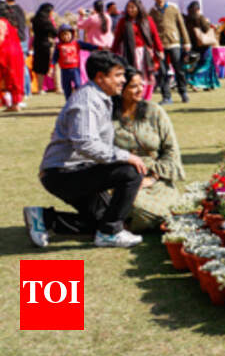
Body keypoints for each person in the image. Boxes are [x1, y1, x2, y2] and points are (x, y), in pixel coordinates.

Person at [24, 50, 146, 248]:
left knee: (103, 220)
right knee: (131, 172)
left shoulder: (100, 97)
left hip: (77, 170)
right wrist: (125, 156)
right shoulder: (87, 101)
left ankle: (44, 219)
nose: (123, 80)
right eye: (118, 75)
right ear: (100, 77)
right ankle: (109, 234)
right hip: (64, 173)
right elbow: (86, 144)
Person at [111, 67, 185, 233]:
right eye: (133, 86)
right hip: (125, 182)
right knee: (142, 209)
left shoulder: (155, 111)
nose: (140, 90)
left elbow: (170, 148)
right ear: (120, 90)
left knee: (175, 210)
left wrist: (154, 177)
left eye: (141, 85)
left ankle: (128, 223)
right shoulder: (106, 117)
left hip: (158, 179)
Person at [112, 0, 163, 101]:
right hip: (129, 53)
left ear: (138, 8)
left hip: (145, 53)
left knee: (147, 76)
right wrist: (113, 52)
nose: (130, 10)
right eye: (128, 7)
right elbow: (118, 38)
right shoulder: (123, 22)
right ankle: (134, 97)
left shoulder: (147, 20)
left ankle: (147, 98)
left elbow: (155, 36)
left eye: (132, 7)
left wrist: (160, 50)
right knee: (132, 75)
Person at [148, 0, 190, 104]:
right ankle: (166, 96)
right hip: (160, 45)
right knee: (162, 72)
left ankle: (183, 92)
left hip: (174, 43)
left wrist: (186, 42)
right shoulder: (151, 12)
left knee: (179, 69)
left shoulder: (173, 8)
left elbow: (181, 25)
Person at [52, 24, 98, 99]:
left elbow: (88, 46)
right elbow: (55, 58)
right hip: (64, 70)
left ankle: (79, 100)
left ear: (72, 34)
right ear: (60, 36)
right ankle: (68, 102)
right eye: (63, 35)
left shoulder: (77, 43)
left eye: (67, 34)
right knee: (66, 87)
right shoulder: (59, 46)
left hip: (75, 69)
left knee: (78, 85)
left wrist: (98, 48)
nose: (65, 37)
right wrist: (51, 66)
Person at [184, 1, 219, 91]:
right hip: (204, 46)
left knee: (195, 64)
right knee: (205, 65)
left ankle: (198, 84)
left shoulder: (187, 20)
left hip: (193, 45)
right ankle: (199, 82)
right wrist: (208, 22)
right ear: (198, 9)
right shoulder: (200, 18)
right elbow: (206, 29)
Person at [0, 2, 26, 111]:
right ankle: (15, 103)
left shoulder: (1, 22)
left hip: (5, 53)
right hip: (16, 52)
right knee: (15, 77)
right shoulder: (10, 23)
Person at [31, 3, 58, 92]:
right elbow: (54, 32)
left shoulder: (35, 19)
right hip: (45, 44)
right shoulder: (46, 21)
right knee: (48, 65)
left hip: (37, 43)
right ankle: (56, 86)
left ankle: (40, 88)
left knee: (39, 67)